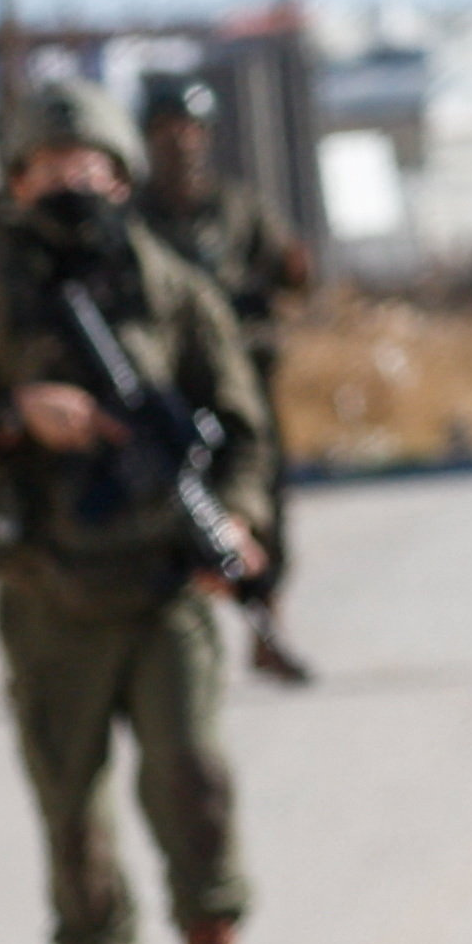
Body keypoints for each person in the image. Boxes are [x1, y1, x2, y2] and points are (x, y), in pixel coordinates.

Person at [0, 77, 280, 944]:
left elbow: (241, 424)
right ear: (18, 180)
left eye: (89, 163)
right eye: (47, 165)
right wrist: (14, 419)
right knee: (73, 816)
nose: (69, 180)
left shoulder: (172, 285)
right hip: (50, 594)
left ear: (120, 176)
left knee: (195, 788)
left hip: (164, 587)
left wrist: (237, 518)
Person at [138, 71, 316, 682]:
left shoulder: (237, 207)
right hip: (164, 388)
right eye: (168, 130)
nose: (181, 142)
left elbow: (288, 274)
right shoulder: (135, 218)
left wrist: (296, 269)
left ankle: (268, 624)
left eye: (190, 129)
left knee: (260, 499)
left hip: (242, 380)